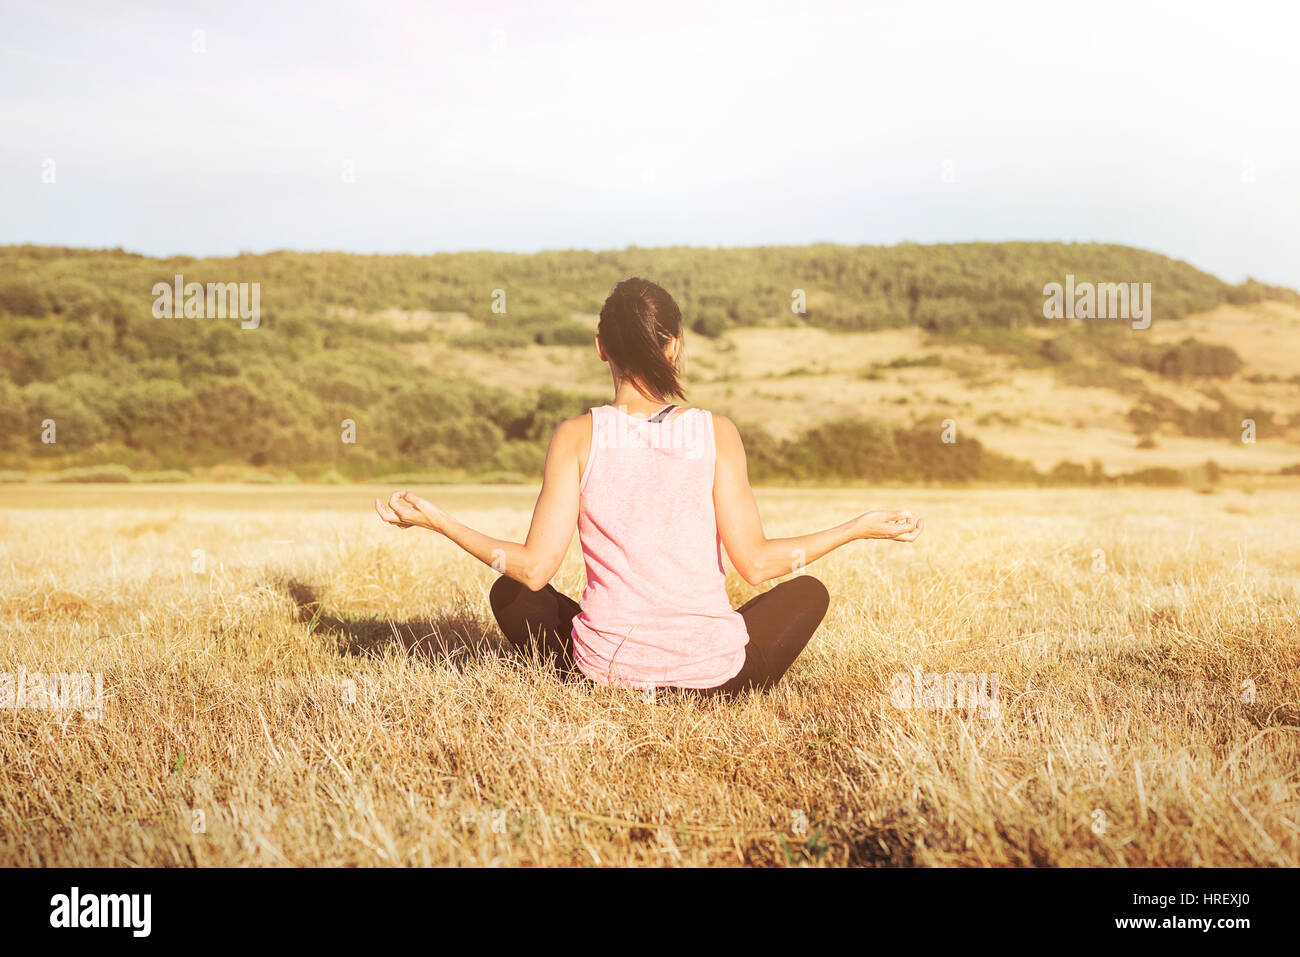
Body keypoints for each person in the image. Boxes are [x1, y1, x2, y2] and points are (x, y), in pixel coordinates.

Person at [375, 277, 923, 695]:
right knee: (809, 592)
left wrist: (439, 522)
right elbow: (756, 566)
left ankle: (608, 674)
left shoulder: (575, 436)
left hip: (605, 671)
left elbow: (533, 570)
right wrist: (856, 528)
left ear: (600, 347)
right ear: (675, 347)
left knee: (510, 592)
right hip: (716, 679)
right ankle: (698, 672)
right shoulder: (718, 433)